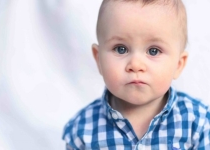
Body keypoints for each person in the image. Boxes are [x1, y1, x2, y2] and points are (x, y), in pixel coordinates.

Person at [62, 0, 210, 149]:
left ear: (178, 64)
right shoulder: (81, 130)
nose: (136, 65)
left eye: (154, 51)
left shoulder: (197, 123)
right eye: (121, 49)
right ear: (99, 59)